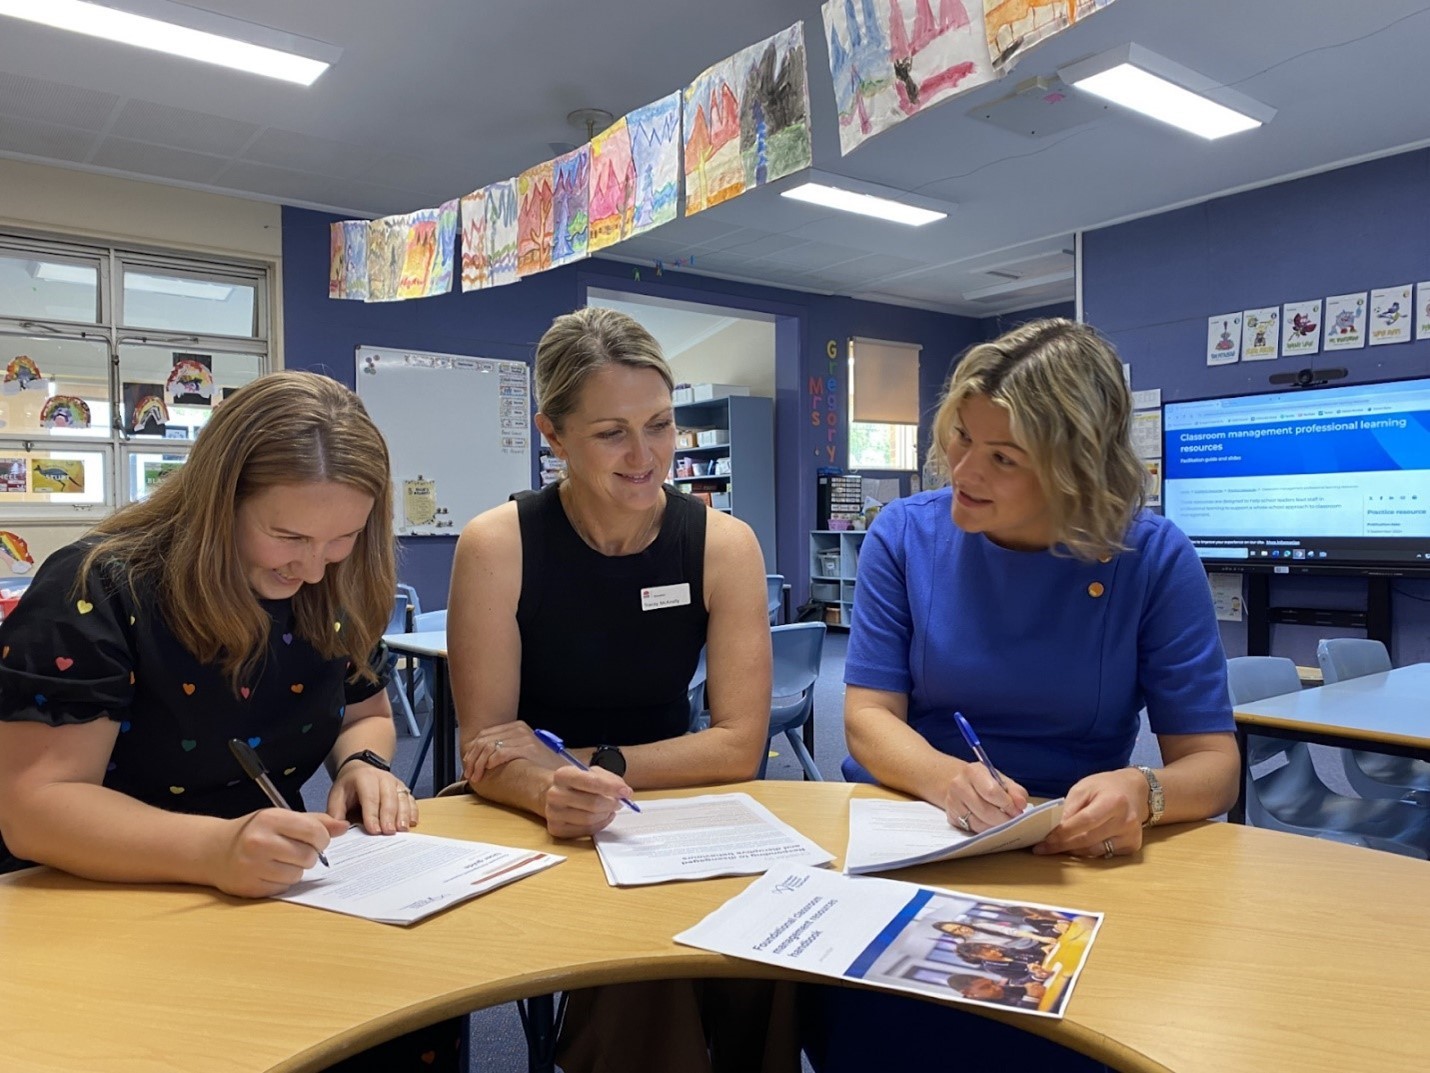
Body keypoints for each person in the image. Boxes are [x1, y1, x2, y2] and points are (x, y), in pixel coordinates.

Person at [805, 318, 1239, 1072]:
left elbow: (1212, 764)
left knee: (1089, 1037)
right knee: (875, 1034)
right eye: (961, 438)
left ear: (1075, 469)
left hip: (1073, 856)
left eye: (1002, 456)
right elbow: (869, 718)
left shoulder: (1153, 557)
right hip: (914, 837)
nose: (964, 469)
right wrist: (946, 779)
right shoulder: (902, 536)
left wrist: (1143, 790)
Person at [0, 370, 456, 1072]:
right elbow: (36, 809)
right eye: (288, 535)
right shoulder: (98, 586)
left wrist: (363, 763)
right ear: (220, 500)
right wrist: (213, 850)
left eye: (342, 537)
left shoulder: (334, 581)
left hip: (256, 886)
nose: (312, 565)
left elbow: (362, 709)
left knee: (404, 1011)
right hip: (91, 899)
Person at [446, 306, 787, 1073]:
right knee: (645, 967)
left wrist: (607, 764)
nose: (647, 455)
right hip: (533, 813)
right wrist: (549, 792)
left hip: (662, 799)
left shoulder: (722, 544)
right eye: (612, 433)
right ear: (553, 434)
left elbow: (739, 744)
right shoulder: (498, 545)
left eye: (660, 424)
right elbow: (488, 745)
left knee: (771, 948)